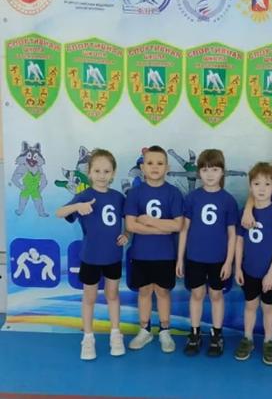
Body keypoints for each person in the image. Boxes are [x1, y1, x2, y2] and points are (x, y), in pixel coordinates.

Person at [56, 149, 128, 360]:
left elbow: (129, 221)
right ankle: (88, 338)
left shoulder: (118, 197)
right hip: (91, 257)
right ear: (89, 172)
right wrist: (78, 206)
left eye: (106, 171)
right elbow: (59, 212)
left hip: (113, 256)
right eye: (97, 171)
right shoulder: (84, 196)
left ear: (113, 173)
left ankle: (116, 334)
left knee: (112, 295)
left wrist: (127, 234)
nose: (102, 175)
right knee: (89, 297)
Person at [176, 149, 238, 357]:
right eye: (205, 170)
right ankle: (194, 333)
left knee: (216, 295)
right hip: (195, 258)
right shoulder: (192, 198)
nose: (210, 174)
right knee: (196, 294)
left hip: (218, 259)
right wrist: (180, 258)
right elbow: (184, 230)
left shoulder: (228, 200)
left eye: (215, 169)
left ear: (222, 172)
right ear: (199, 173)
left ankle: (217, 334)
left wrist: (228, 262)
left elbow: (232, 234)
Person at [125, 145, 183, 353]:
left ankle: (165, 331)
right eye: (150, 163)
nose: (155, 167)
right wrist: (162, 228)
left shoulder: (173, 193)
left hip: (165, 254)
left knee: (162, 292)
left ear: (167, 167)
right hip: (141, 253)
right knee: (144, 291)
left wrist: (149, 221)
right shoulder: (135, 193)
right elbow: (131, 225)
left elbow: (178, 225)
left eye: (160, 163)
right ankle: (145, 330)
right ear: (142, 167)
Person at [234, 163, 272, 365]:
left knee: (268, 308)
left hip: (270, 275)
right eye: (257, 184)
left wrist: (271, 274)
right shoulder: (245, 212)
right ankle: (247, 338)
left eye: (267, 184)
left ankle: (268, 341)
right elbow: (239, 242)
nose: (262, 189)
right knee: (250, 306)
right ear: (250, 187)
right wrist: (237, 268)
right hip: (249, 271)